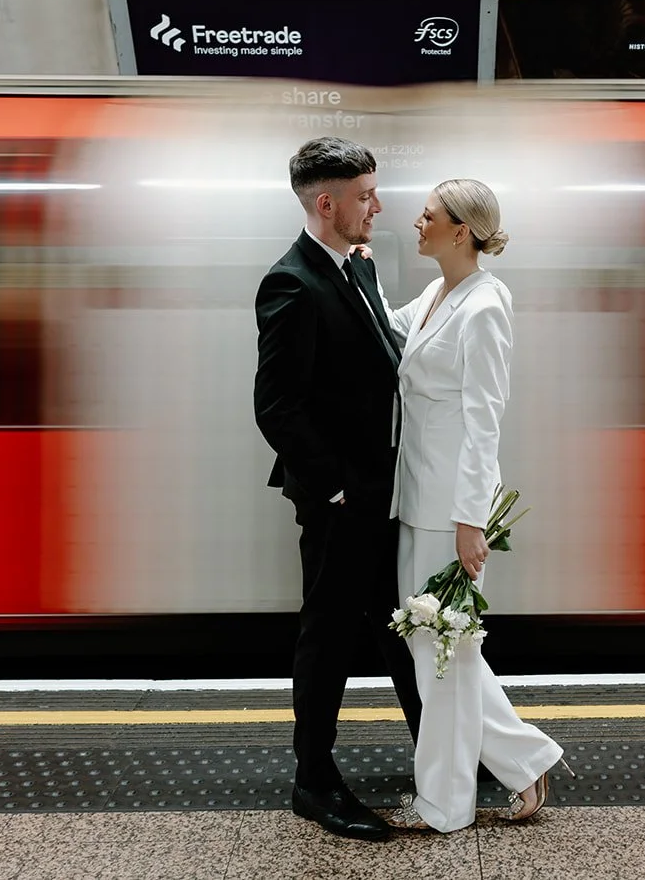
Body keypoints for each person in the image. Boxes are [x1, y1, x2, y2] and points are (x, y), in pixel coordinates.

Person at [377, 179, 565, 833]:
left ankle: (445, 803)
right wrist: (355, 272)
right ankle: (527, 760)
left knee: (441, 659)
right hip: (417, 497)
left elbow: (486, 420)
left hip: (451, 508)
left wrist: (469, 521)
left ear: (462, 230)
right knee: (445, 652)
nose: (417, 221)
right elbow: (386, 324)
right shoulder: (436, 295)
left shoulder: (484, 306)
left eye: (429, 214)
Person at [253, 136, 423, 843]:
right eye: (364, 195)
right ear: (327, 202)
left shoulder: (356, 265)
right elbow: (276, 404)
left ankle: (441, 749)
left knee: (398, 624)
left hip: (378, 484)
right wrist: (332, 490)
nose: (377, 206)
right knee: (327, 633)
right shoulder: (293, 282)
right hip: (341, 497)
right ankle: (313, 779)